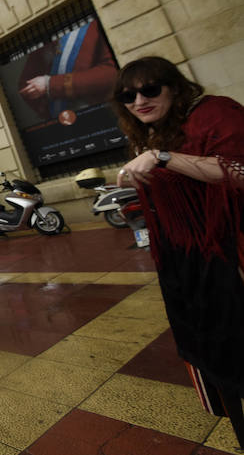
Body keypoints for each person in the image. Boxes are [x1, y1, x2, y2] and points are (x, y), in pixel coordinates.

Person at [113, 56, 244, 449]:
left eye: (150, 89)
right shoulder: (151, 134)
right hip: (184, 264)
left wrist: (164, 159)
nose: (139, 100)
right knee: (216, 356)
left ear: (174, 87)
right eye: (128, 95)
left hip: (229, 255)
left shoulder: (215, 113)